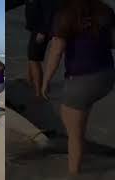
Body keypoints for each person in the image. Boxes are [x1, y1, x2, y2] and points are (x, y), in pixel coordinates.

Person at [42, 0, 115, 174]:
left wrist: (46, 81)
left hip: (81, 82)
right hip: (106, 76)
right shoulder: (105, 10)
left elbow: (56, 52)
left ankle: (74, 173)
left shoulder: (65, 14)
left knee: (74, 137)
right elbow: (112, 42)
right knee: (83, 109)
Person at [25, 0, 61, 97]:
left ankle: (39, 92)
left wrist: (43, 31)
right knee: (31, 55)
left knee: (34, 59)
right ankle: (29, 81)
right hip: (36, 29)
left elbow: (50, 12)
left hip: (40, 30)